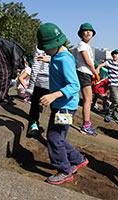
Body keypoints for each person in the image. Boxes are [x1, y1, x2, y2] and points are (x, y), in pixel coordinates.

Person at [37, 23, 88, 185]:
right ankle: (77, 159)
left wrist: (53, 95)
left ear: (56, 44)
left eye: (47, 48)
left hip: (65, 107)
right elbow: (56, 60)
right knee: (58, 136)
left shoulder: (64, 59)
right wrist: (47, 59)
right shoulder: (56, 56)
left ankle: (65, 170)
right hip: (61, 105)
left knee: (54, 137)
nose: (45, 50)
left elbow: (74, 86)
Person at [74, 22, 98, 136]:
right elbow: (87, 61)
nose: (88, 32)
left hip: (86, 73)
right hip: (84, 72)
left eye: (90, 31)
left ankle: (87, 123)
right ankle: (85, 126)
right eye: (85, 31)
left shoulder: (87, 46)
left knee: (89, 100)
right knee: (88, 100)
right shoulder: (82, 45)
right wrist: (95, 72)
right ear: (81, 33)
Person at [26, 47, 51, 136]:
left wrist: (31, 86)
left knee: (35, 104)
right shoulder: (63, 49)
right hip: (55, 83)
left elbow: (36, 67)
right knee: (55, 108)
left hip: (41, 81)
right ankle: (54, 132)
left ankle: (34, 123)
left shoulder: (40, 47)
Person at [97, 49, 118, 124]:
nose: (114, 55)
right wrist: (98, 68)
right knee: (116, 100)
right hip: (112, 84)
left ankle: (116, 115)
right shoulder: (109, 63)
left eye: (116, 54)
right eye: (113, 54)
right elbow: (101, 65)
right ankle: (108, 114)